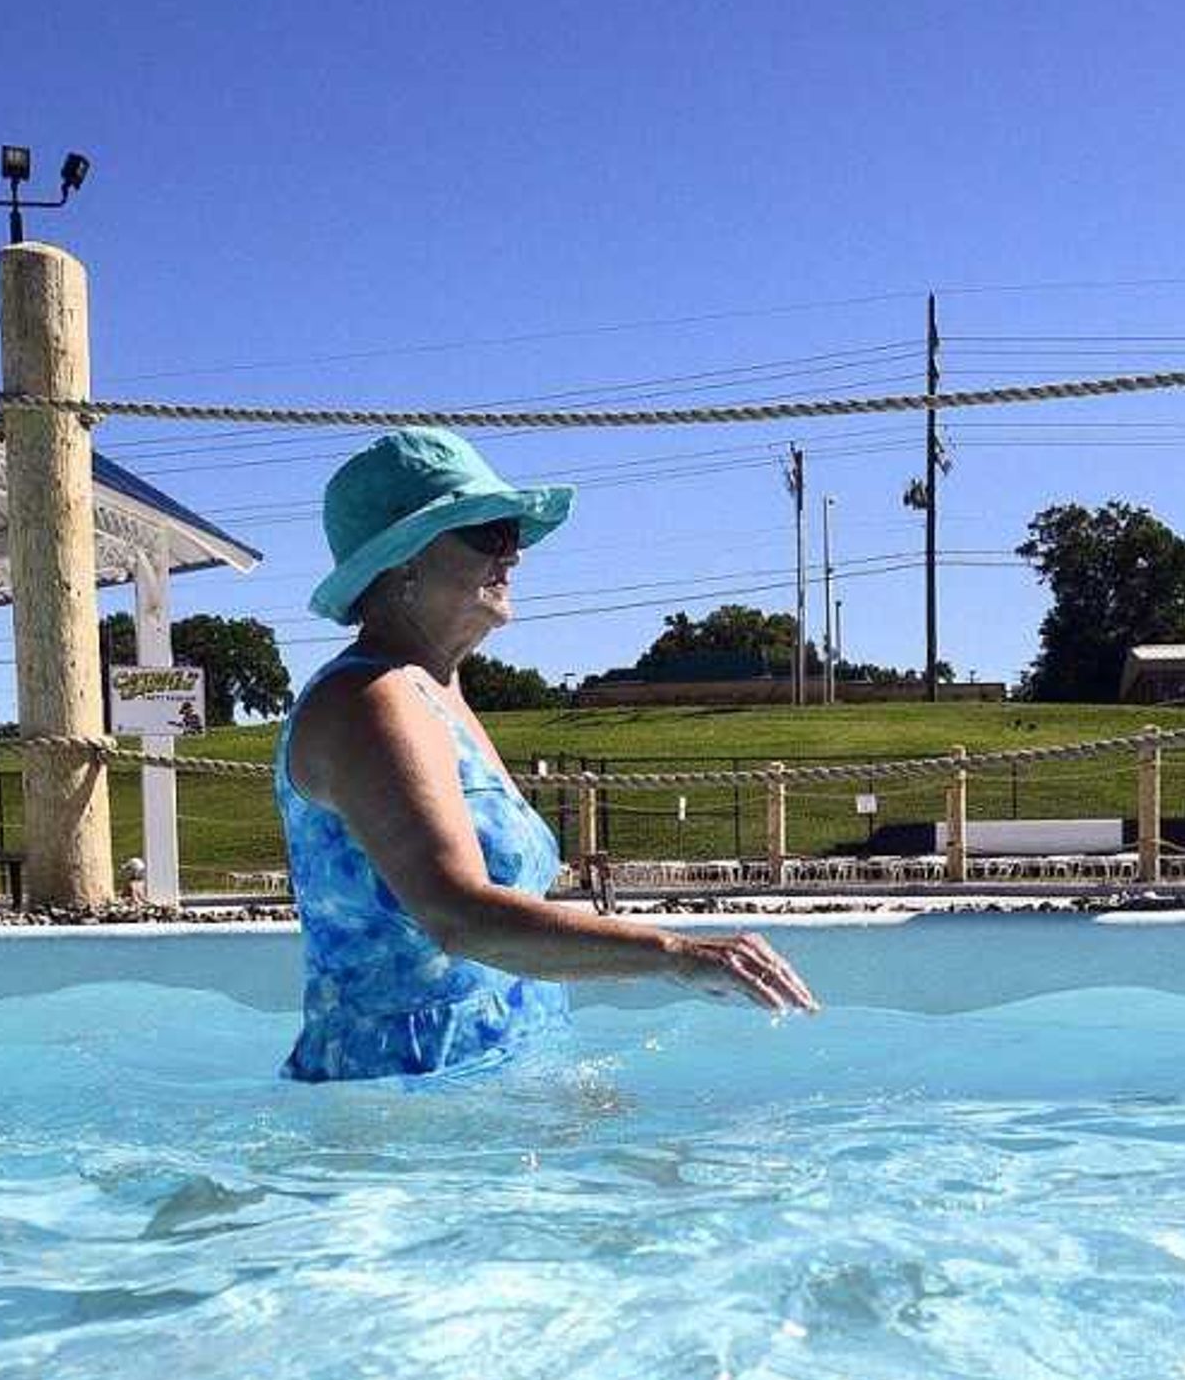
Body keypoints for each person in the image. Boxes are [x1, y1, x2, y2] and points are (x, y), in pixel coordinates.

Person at [276, 428, 815, 1081]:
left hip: (495, 1082)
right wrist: (675, 953)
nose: (514, 553)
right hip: (406, 1108)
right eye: (487, 532)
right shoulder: (371, 699)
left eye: (513, 531)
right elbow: (459, 916)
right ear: (404, 558)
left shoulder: (436, 692)